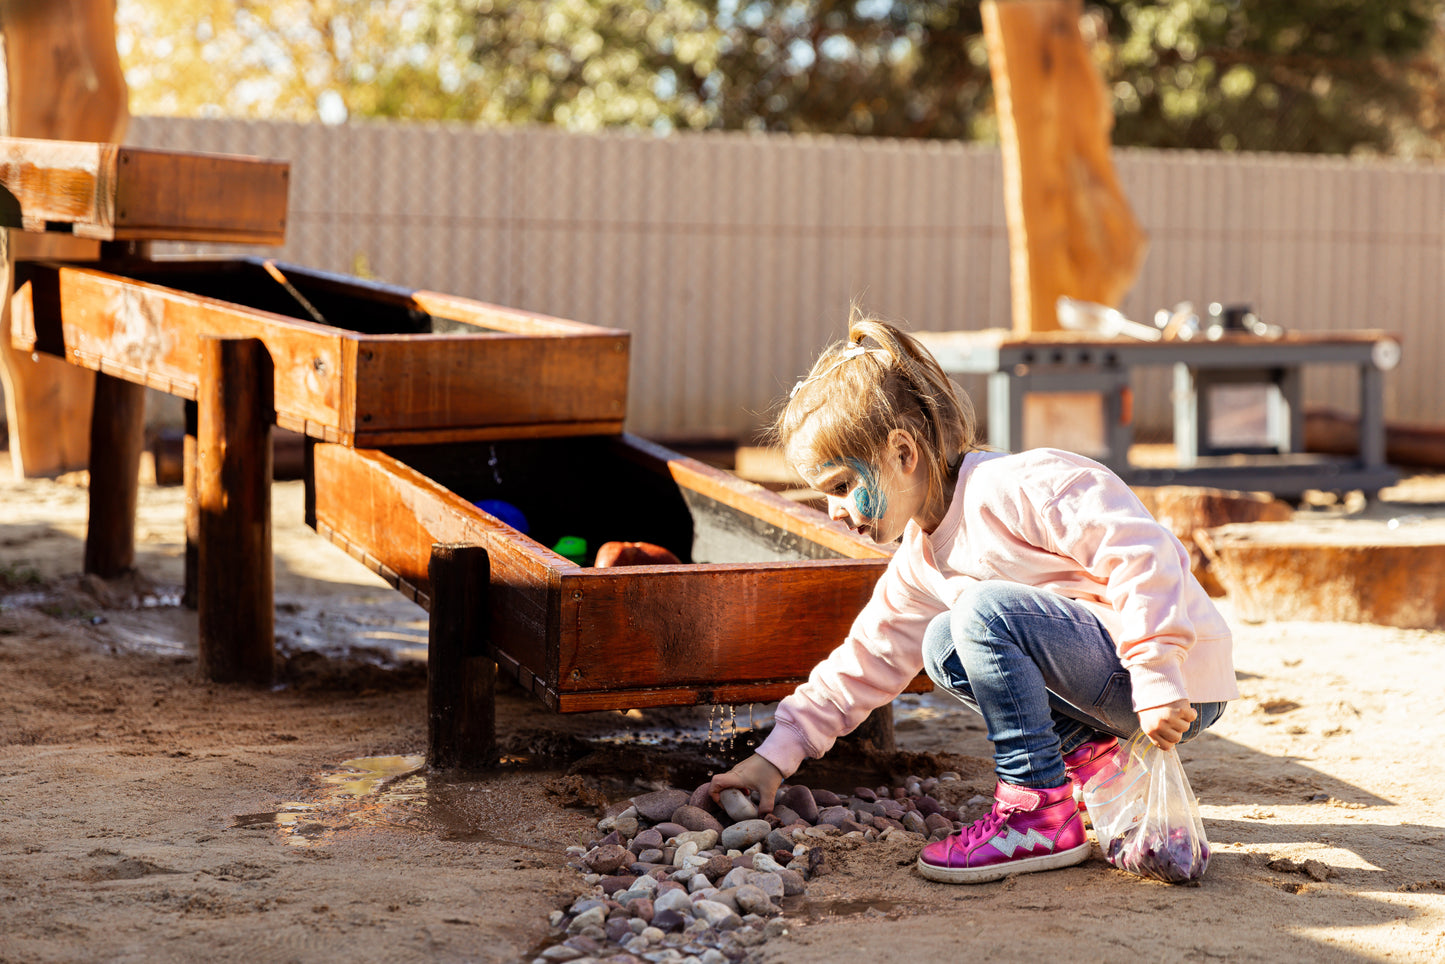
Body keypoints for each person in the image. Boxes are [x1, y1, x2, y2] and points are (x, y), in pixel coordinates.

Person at [709, 312, 1237, 885]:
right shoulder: (920, 559)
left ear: (902, 454)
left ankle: (1034, 808)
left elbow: (1143, 553)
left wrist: (1159, 673)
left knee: (979, 613)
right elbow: (867, 658)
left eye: (841, 485)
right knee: (942, 643)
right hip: (1112, 679)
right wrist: (771, 761)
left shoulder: (1015, 487)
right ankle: (1097, 766)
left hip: (1174, 677)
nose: (836, 509)